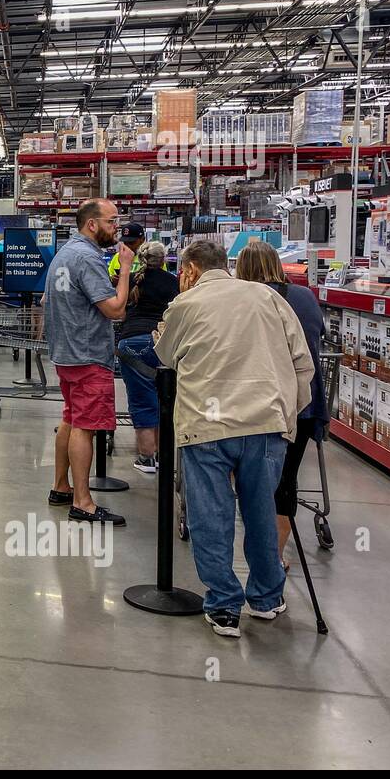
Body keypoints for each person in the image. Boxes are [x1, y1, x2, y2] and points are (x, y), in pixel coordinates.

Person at [153, 240, 314, 639]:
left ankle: (224, 605)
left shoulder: (185, 305)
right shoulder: (268, 297)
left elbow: (165, 355)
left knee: (211, 515)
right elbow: (302, 361)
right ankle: (266, 598)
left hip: (207, 424)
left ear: (189, 270)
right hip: (265, 423)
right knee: (261, 512)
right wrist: (285, 413)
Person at [234, 240, 328, 571]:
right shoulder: (303, 296)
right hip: (303, 403)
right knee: (286, 478)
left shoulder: (242, 299)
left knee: (253, 479)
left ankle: (260, 552)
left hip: (259, 403)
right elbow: (317, 336)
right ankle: (275, 555)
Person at [43, 198, 135, 526]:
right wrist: (125, 269)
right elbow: (115, 309)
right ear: (92, 224)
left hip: (66, 355)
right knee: (86, 426)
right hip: (87, 356)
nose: (116, 228)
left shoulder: (64, 255)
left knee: (70, 418)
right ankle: (83, 502)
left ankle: (60, 486)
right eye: (111, 222)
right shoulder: (88, 257)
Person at [117, 240, 180, 474]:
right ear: (163, 259)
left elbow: (119, 310)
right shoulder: (173, 282)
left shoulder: (132, 280)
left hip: (131, 343)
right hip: (161, 342)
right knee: (167, 400)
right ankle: (165, 457)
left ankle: (146, 458)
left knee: (142, 401)